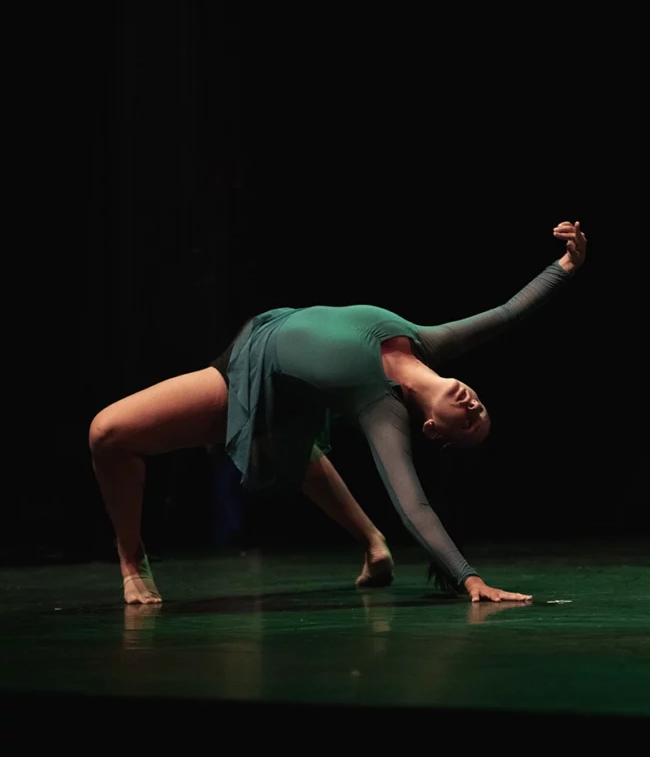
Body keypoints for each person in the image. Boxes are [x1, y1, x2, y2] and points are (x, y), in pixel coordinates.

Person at [89, 221, 586, 605]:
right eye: (482, 407)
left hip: (251, 374)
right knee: (294, 447)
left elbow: (413, 504)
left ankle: (131, 562)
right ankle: (373, 544)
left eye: (471, 423)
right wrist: (566, 265)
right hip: (270, 342)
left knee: (107, 433)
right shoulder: (429, 341)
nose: (474, 407)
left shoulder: (382, 411)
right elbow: (507, 313)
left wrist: (468, 578)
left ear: (432, 429)